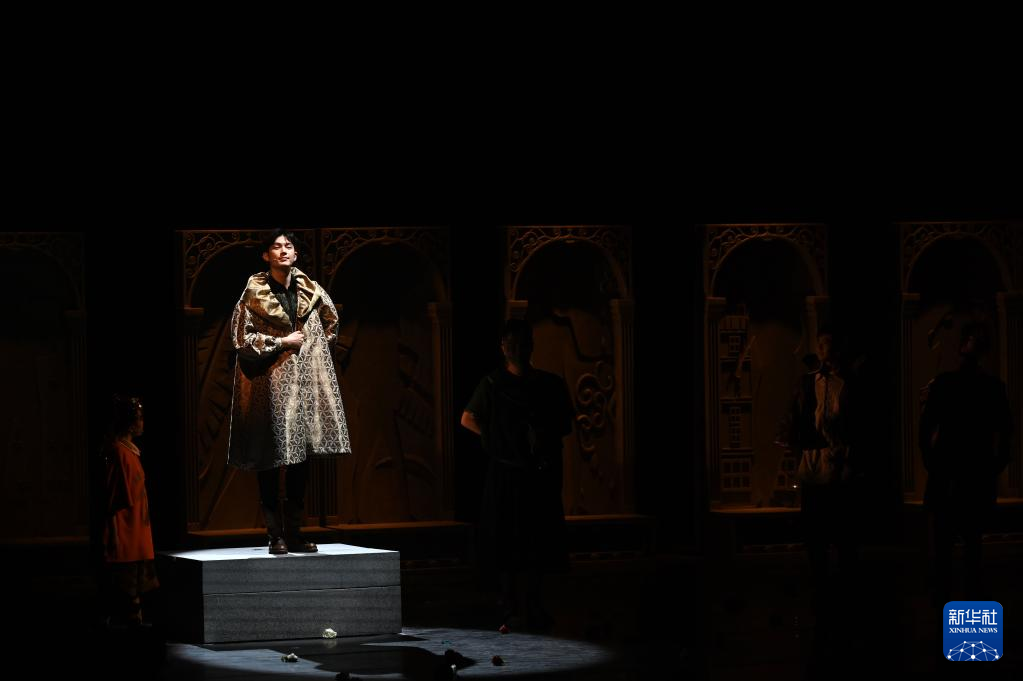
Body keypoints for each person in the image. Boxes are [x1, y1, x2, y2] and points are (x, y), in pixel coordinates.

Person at [227, 228, 351, 554]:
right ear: (266, 255)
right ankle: (274, 534)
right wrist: (281, 342)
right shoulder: (253, 294)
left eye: (288, 246)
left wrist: (312, 354)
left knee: (300, 460)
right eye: (276, 246)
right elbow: (241, 339)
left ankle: (294, 532)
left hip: (303, 385)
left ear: (295, 254)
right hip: (269, 384)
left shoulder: (311, 290)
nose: (283, 250)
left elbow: (331, 324)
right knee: (270, 459)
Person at [461, 319, 575, 631]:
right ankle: (509, 604)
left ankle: (534, 604)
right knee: (507, 538)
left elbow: (564, 423)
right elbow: (468, 418)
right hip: (506, 473)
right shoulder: (492, 384)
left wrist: (540, 437)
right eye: (511, 343)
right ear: (503, 347)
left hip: (537, 475)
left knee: (538, 539)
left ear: (530, 346)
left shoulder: (549, 385)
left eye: (521, 343)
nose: (516, 349)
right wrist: (497, 440)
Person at [920, 321, 1011, 603]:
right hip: (966, 473)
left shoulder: (949, 384)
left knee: (954, 546)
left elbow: (926, 428)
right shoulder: (988, 387)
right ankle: (960, 605)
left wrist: (932, 463)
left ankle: (948, 603)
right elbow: (1005, 434)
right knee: (968, 546)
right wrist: (994, 466)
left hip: (957, 473)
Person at [102, 394, 159, 626]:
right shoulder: (119, 453)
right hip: (127, 535)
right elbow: (113, 499)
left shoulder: (130, 453)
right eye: (139, 418)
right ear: (129, 422)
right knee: (126, 595)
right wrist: (114, 535)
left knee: (136, 593)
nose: (142, 422)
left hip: (137, 532)